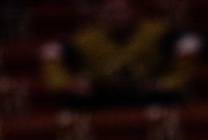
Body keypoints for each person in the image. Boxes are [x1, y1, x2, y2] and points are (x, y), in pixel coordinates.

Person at [42, 0, 199, 108]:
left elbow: (189, 43)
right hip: (102, 93)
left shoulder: (154, 32)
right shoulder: (87, 39)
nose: (117, 16)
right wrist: (66, 83)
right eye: (111, 12)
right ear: (101, 14)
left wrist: (169, 81)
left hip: (146, 91)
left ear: (133, 11)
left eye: (122, 11)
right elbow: (51, 51)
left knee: (172, 96)